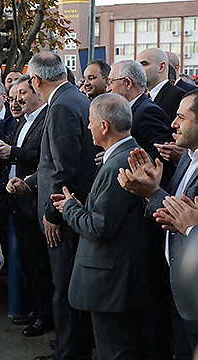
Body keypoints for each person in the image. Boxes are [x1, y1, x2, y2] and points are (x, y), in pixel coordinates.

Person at [7, 51, 97, 360]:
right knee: (69, 285)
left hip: (64, 214)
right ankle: (74, 345)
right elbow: (51, 165)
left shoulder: (60, 106)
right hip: (72, 207)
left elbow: (64, 168)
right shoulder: (74, 98)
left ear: (36, 80)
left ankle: (70, 352)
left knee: (64, 287)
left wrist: (51, 214)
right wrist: (31, 184)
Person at [52, 93, 154, 360]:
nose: (88, 128)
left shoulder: (116, 165)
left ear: (104, 126)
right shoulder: (125, 155)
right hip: (120, 277)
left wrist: (69, 208)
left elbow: (100, 227)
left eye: (90, 122)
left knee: (116, 351)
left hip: (111, 282)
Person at [117, 89, 198, 360]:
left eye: (180, 117)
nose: (172, 124)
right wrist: (154, 185)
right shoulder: (187, 156)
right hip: (178, 284)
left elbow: (183, 220)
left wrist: (151, 192)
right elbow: (175, 208)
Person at [0, 75, 53, 338]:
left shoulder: (48, 119)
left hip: (35, 201)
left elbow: (45, 158)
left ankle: (46, 317)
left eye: (22, 93)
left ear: (37, 92)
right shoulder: (22, 121)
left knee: (41, 264)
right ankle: (35, 309)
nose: (17, 99)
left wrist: (13, 152)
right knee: (28, 261)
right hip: (17, 200)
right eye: (15, 94)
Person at [107, 59, 175, 184]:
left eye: (111, 82)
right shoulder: (135, 108)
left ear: (127, 83)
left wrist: (116, 155)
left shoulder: (148, 112)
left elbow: (157, 158)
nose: (108, 88)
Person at [136, 48, 186, 121]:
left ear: (161, 67)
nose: (139, 69)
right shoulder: (142, 97)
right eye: (137, 66)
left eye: (144, 64)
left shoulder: (177, 96)